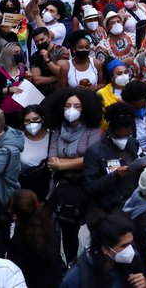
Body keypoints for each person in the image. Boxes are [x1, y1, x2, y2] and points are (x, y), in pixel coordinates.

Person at [44, 87, 104, 264]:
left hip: (87, 187)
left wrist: (62, 164)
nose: (72, 109)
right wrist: (71, 163)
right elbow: (51, 159)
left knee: (96, 227)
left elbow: (90, 159)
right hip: (64, 188)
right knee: (68, 232)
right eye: (68, 105)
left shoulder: (92, 130)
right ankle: (71, 263)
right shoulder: (56, 129)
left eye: (77, 106)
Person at [84, 102, 146, 224]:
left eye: (128, 135)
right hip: (112, 209)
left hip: (136, 202)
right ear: (111, 129)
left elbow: (142, 159)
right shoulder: (94, 152)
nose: (124, 139)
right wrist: (114, 176)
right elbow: (90, 187)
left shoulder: (133, 143)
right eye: (120, 136)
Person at [59, 212, 146, 288]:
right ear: (105, 249)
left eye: (131, 243)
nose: (130, 250)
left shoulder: (133, 260)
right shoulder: (76, 278)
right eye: (124, 246)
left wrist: (145, 284)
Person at [5, 189, 66, 288]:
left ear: (18, 216)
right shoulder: (46, 225)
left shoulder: (19, 242)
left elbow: (13, 269)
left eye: (13, 214)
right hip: (53, 279)